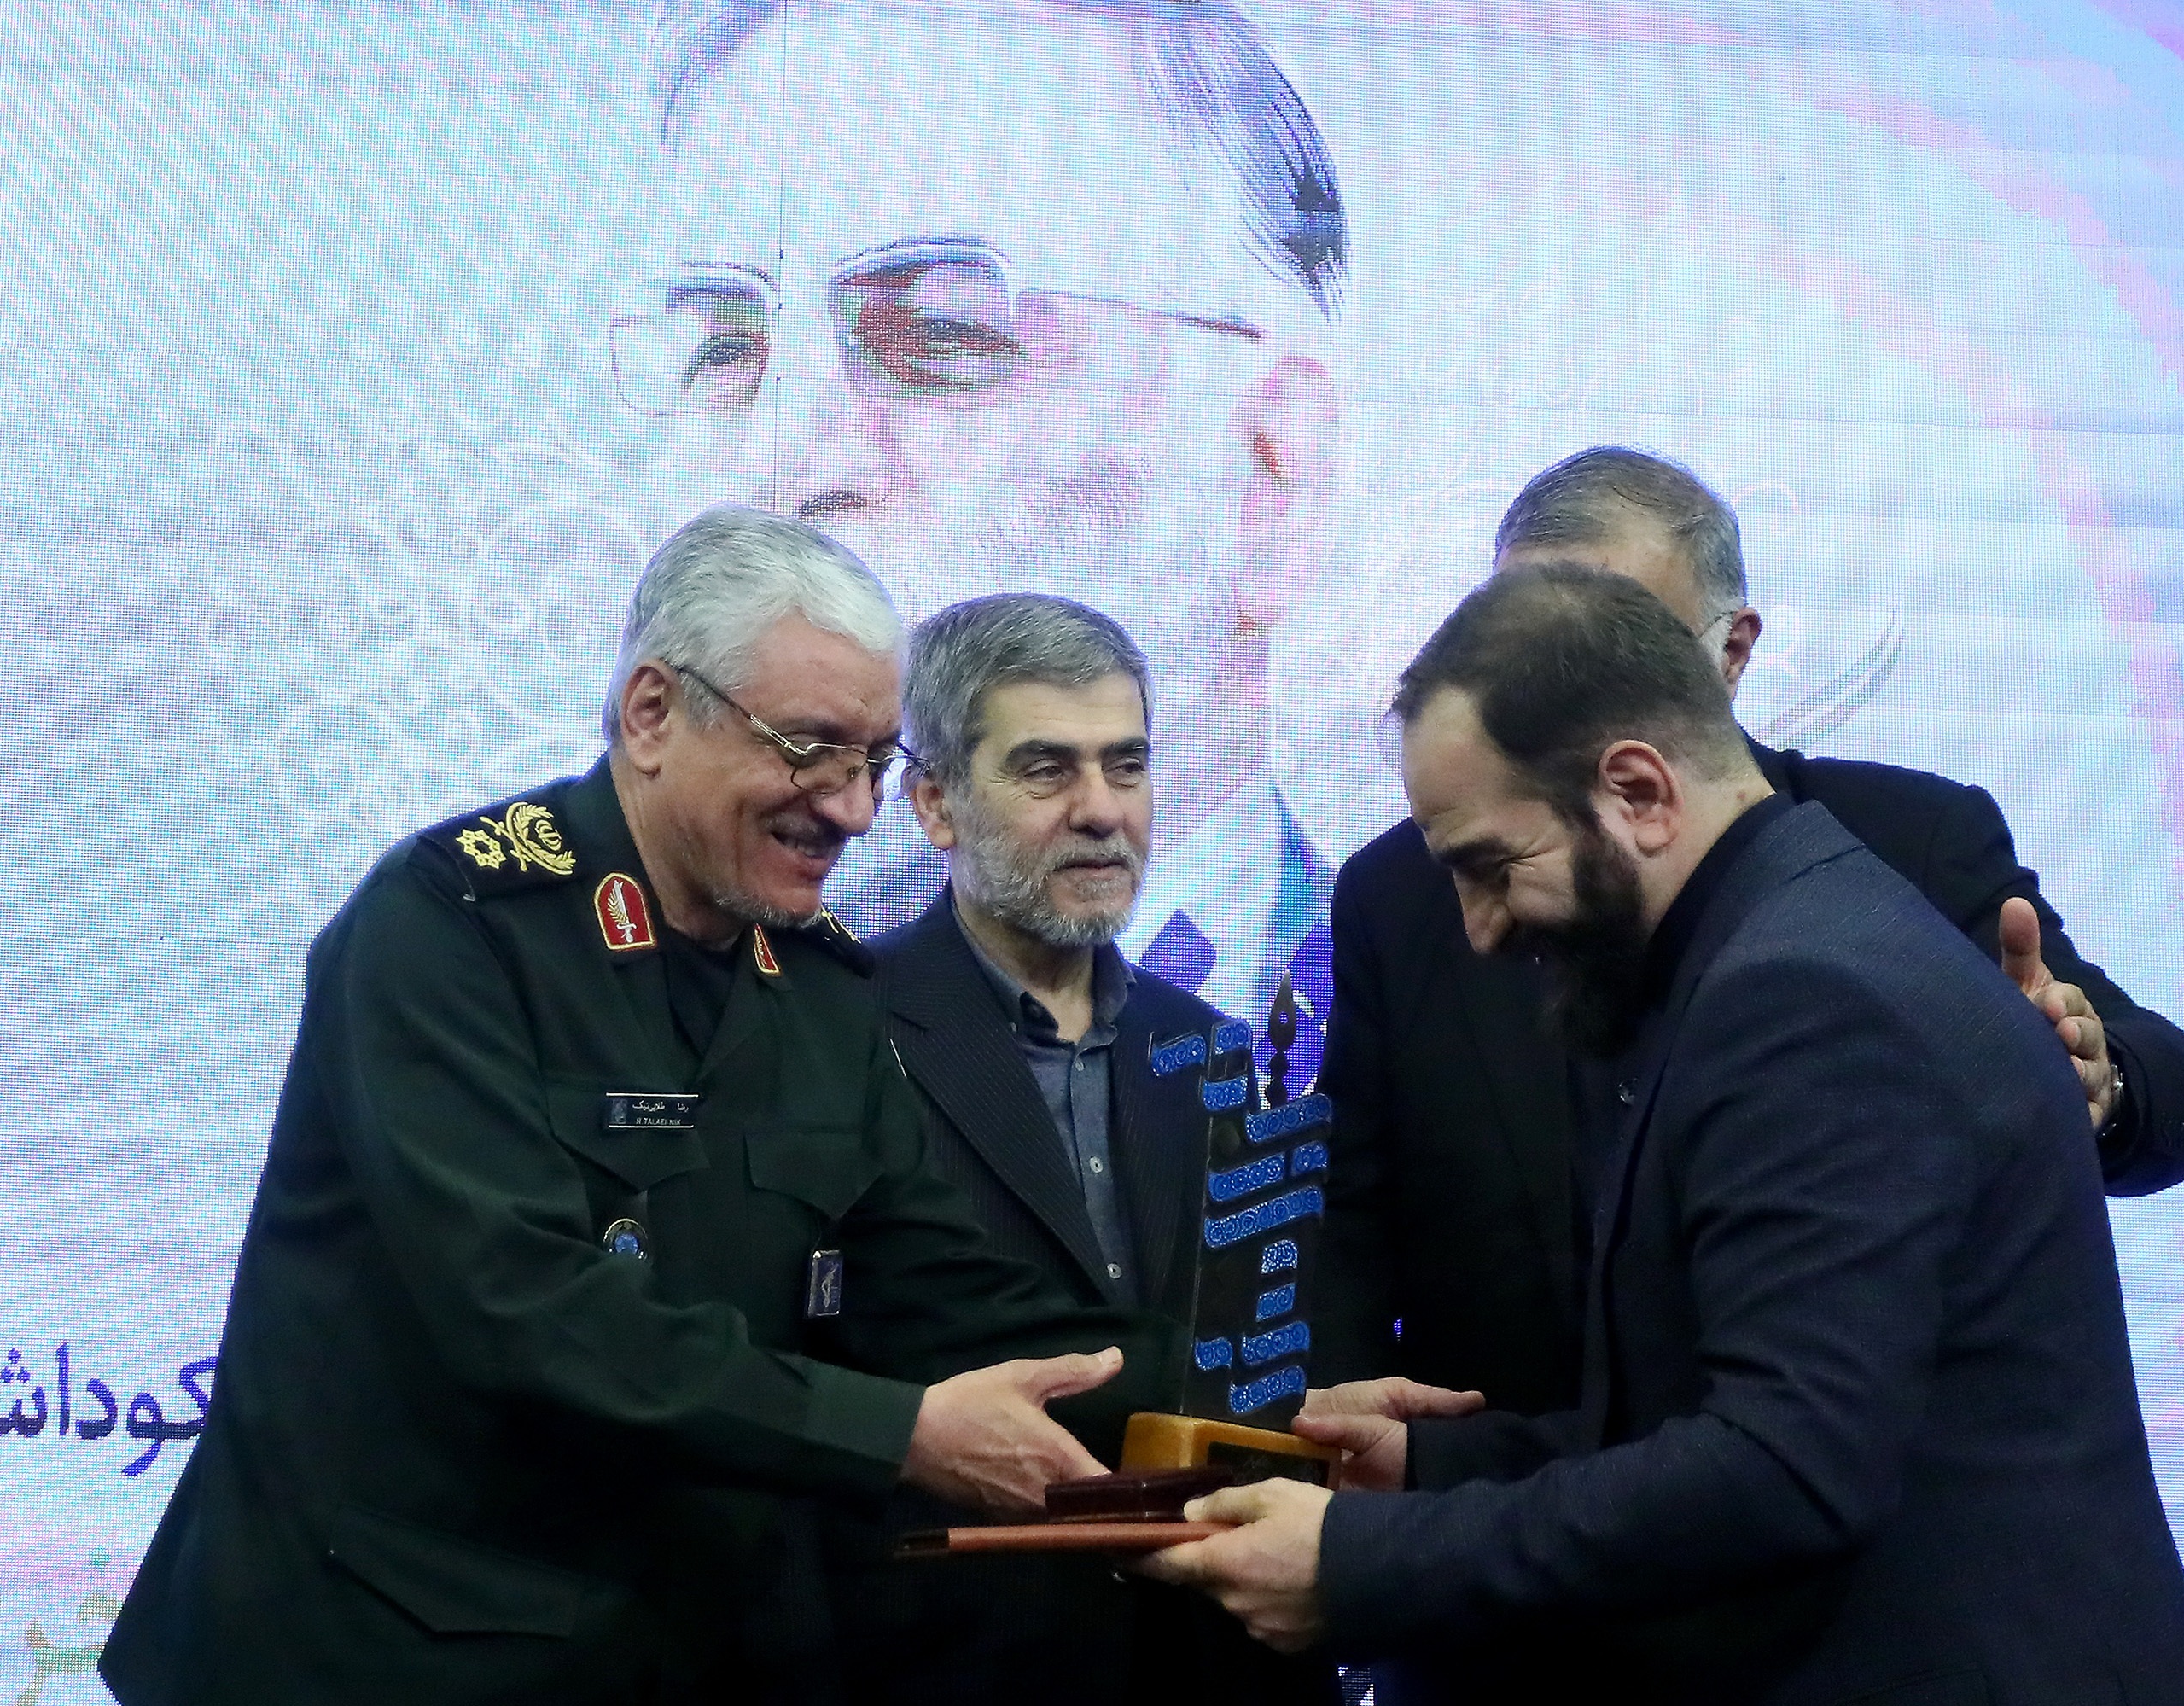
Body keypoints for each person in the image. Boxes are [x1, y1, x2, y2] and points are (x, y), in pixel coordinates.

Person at [99, 507, 1183, 1705]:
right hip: (380, 1650)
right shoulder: (450, 929)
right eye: (810, 747)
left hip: (662, 1648)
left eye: (874, 762)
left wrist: (1260, 1396)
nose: (850, 807)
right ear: (654, 712)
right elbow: (527, 1308)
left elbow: (940, 1290)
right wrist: (898, 1434)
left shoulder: (819, 984)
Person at [1142, 564, 2184, 1703]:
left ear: (1640, 792)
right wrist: (1428, 1463)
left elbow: (1783, 1468)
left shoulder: (1803, 996)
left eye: (1491, 867)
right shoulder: (1779, 940)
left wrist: (1362, 1563)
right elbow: (1713, 1415)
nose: (1477, 930)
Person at [1313, 445, 2184, 1411]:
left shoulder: (1909, 844)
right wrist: (1326, 1466)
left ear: (1732, 653)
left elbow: (2174, 1091)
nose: (1563, 705)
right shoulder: (1403, 893)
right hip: (1494, 1478)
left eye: (1623, 648)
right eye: (1521, 649)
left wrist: (2092, 1083)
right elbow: (1342, 1232)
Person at [626, 0, 1348, 1034]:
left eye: (942, 333)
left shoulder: (1475, 1030)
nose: (780, 465)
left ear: (1271, 480)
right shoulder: (535, 1025)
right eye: (724, 352)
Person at [824, 591, 1335, 1704]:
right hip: (944, 1657)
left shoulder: (1213, 1047)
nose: (1102, 810)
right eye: (1047, 769)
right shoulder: (833, 1029)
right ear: (936, 803)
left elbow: (1252, 1356)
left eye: (1127, 765)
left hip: (1206, 1652)